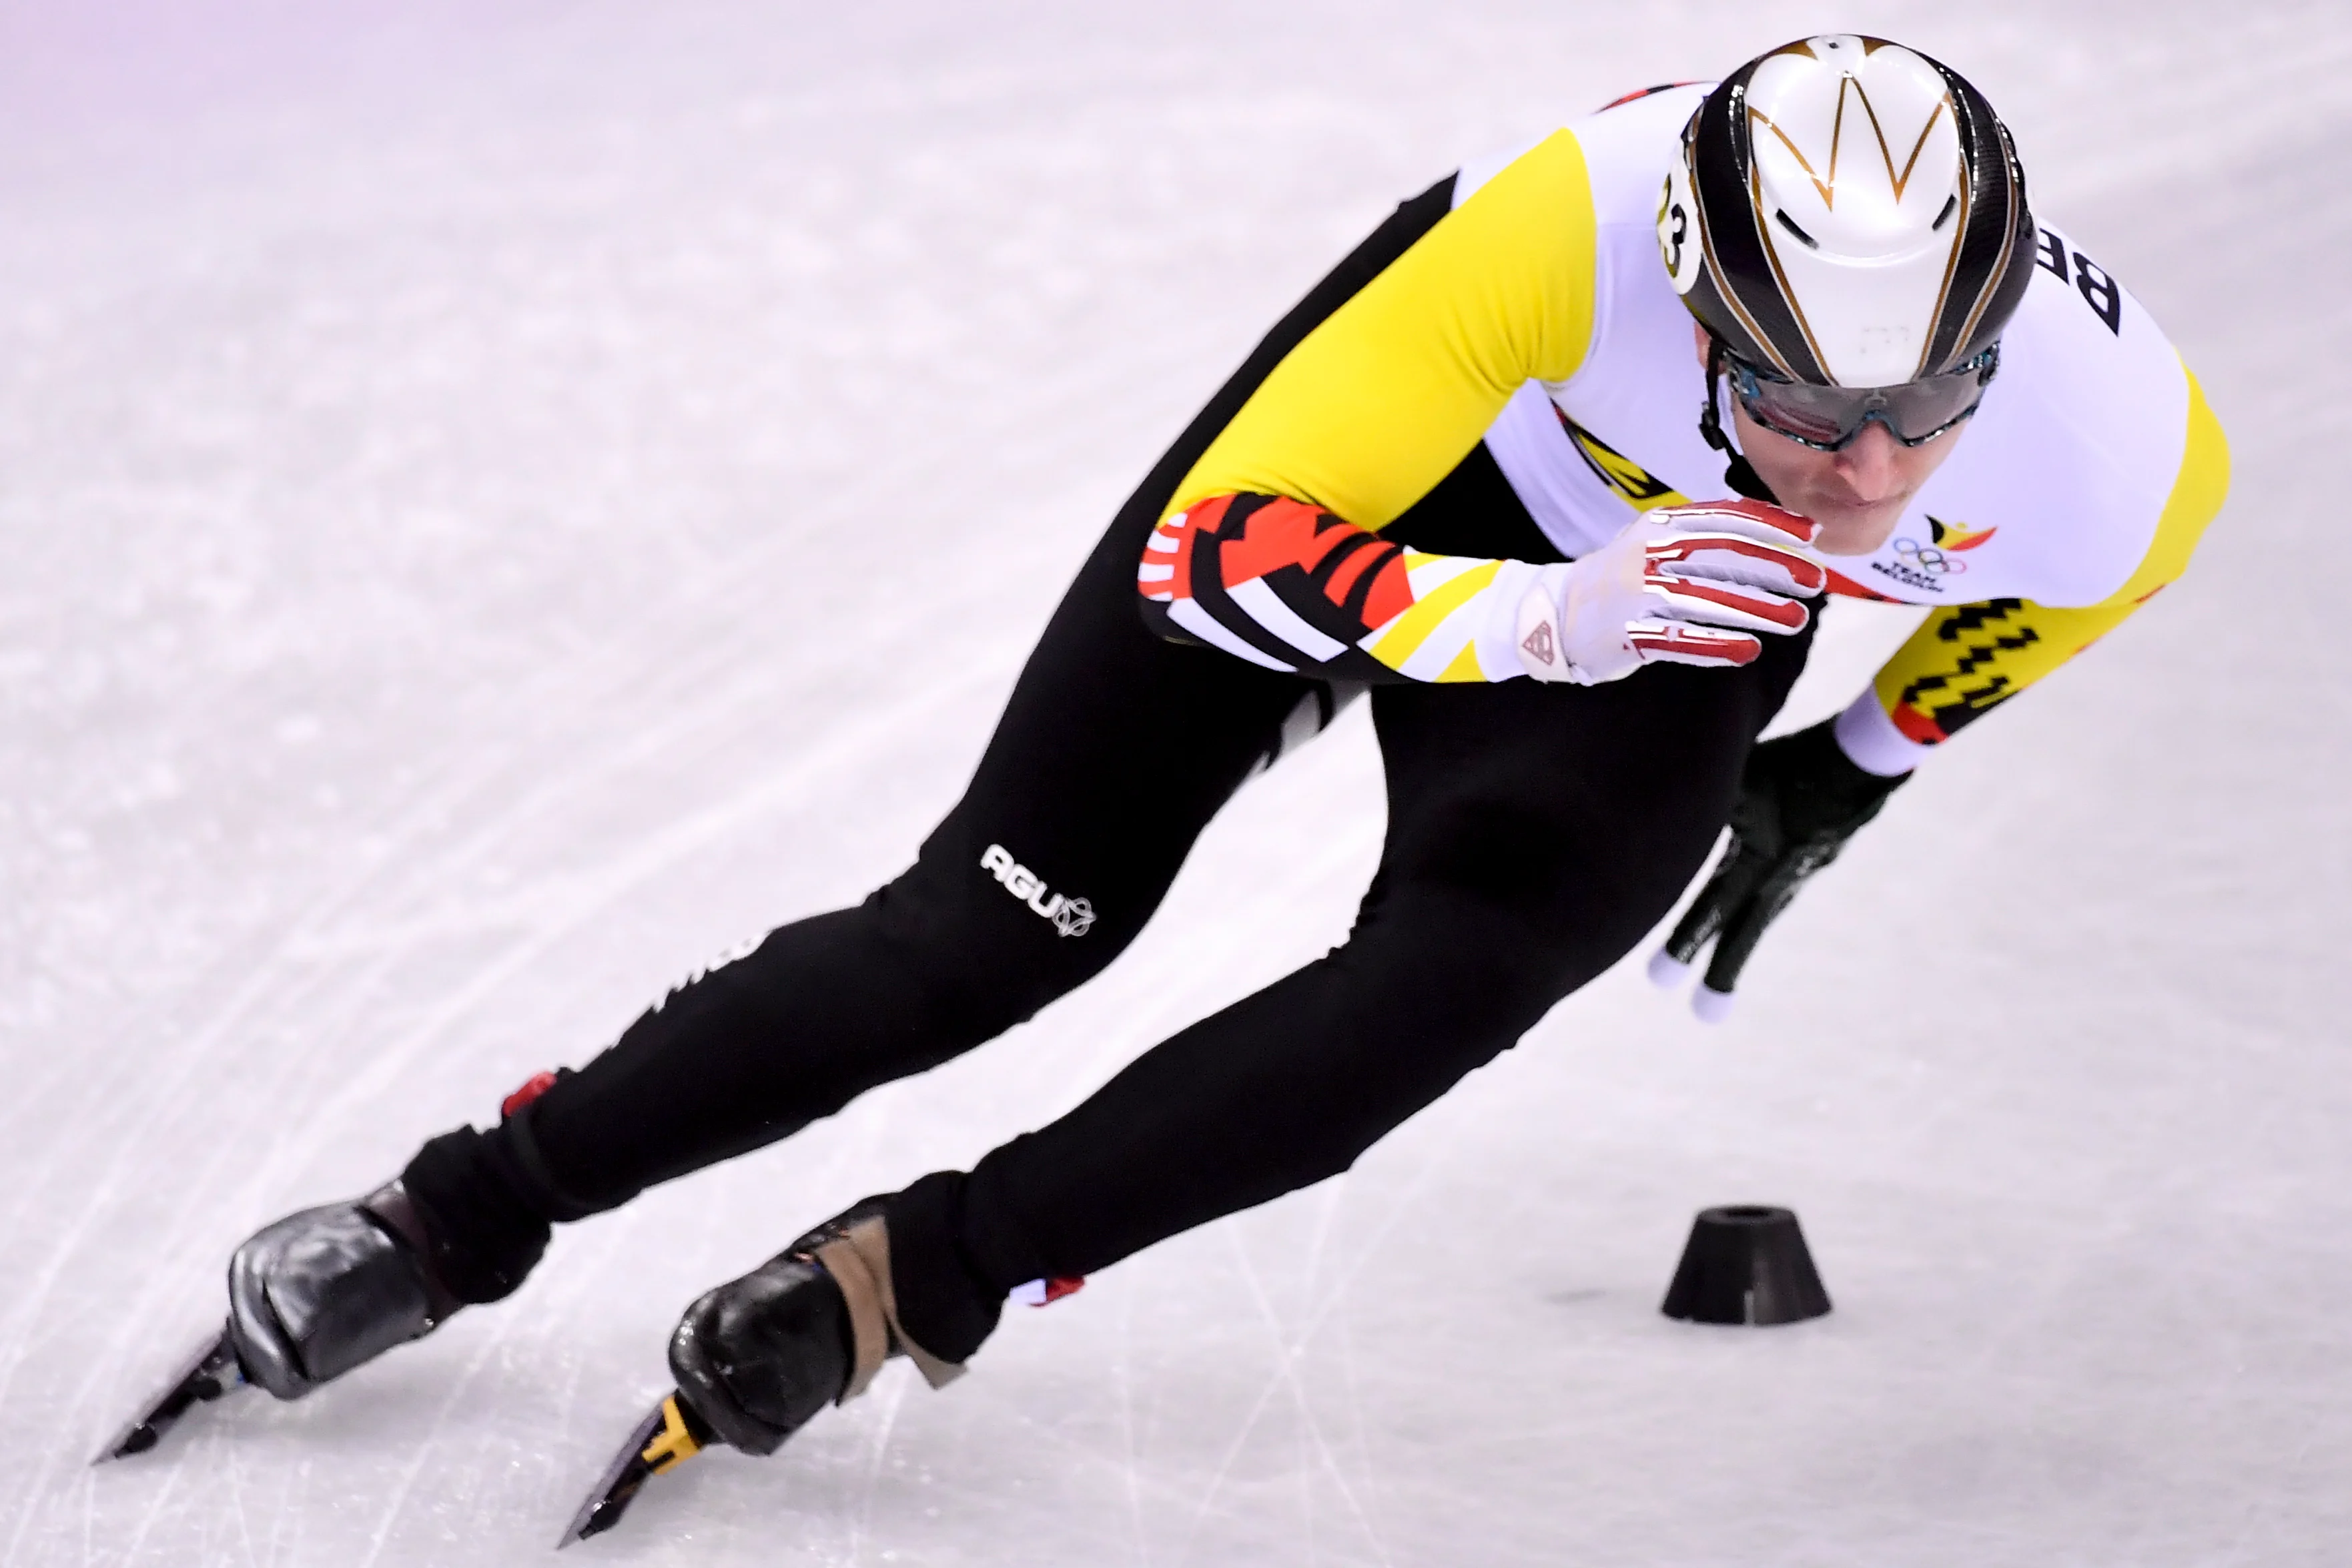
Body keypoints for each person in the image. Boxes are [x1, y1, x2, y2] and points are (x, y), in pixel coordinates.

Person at [218, 35, 2228, 1463]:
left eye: (1926, 405)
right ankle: (461, 1204)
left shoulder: (2111, 446)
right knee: (992, 931)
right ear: (1697, 304)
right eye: (1798, 406)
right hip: (1423, 466)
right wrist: (1540, 613)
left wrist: (1855, 756)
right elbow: (1225, 554)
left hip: (1667, 590)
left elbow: (2081, 588)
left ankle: (916, 1274)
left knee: (1443, 990)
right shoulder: (1560, 236)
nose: (1863, 472)